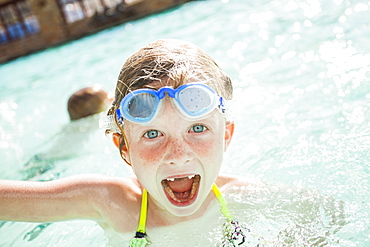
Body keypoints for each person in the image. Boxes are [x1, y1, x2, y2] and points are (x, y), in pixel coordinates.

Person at [0, 39, 342, 246]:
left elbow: (328, 210)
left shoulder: (242, 197)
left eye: (196, 129)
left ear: (226, 134)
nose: (178, 154)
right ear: (124, 149)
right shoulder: (111, 204)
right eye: (152, 134)